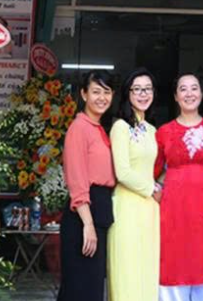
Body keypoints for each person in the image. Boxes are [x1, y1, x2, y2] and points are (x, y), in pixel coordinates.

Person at [155, 74, 203, 301]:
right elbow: (152, 171)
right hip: (174, 211)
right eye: (183, 89)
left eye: (194, 88)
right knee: (173, 265)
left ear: (201, 94)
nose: (189, 94)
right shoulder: (163, 132)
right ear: (176, 96)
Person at [58, 71, 115, 301]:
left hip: (99, 211)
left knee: (90, 288)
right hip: (83, 215)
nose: (102, 98)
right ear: (83, 94)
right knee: (80, 289)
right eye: (96, 92)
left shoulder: (98, 129)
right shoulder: (79, 128)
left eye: (107, 92)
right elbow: (77, 179)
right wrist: (88, 224)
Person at [108, 68, 161, 301]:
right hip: (127, 206)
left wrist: (160, 185)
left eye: (147, 89)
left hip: (150, 208)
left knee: (147, 269)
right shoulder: (120, 127)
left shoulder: (151, 130)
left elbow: (155, 168)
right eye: (137, 89)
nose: (143, 94)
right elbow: (122, 172)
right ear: (128, 93)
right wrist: (152, 189)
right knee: (127, 271)